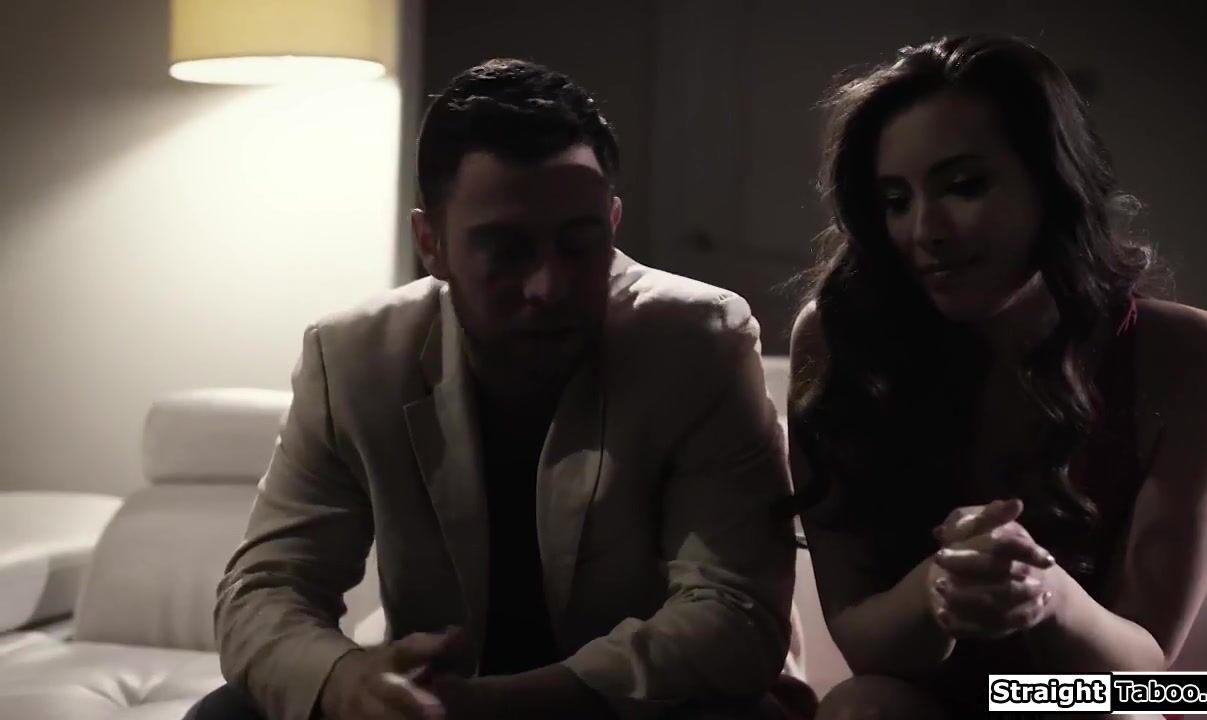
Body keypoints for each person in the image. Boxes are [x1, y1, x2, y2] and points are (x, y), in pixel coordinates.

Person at [184, 59, 799, 720]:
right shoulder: (353, 358)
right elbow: (265, 591)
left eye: (579, 244)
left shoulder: (698, 341)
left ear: (613, 224)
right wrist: (345, 682)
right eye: (507, 250)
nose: (548, 286)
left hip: (635, 705)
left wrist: (499, 707)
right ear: (431, 244)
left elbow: (734, 609)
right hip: (442, 698)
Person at [785, 35, 1207, 719]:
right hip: (924, 701)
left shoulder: (1196, 357)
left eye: (964, 186)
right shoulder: (841, 339)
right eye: (895, 200)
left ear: (1053, 181)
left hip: (1097, 701)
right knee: (863, 706)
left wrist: (1045, 593)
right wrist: (938, 588)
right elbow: (863, 643)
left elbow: (1145, 669)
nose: (925, 230)